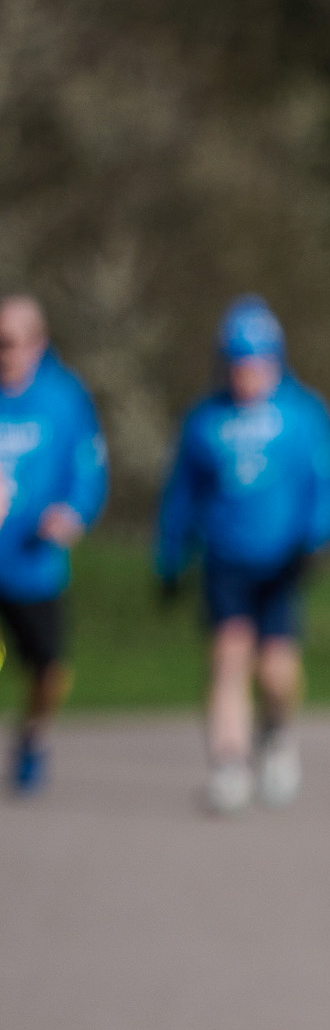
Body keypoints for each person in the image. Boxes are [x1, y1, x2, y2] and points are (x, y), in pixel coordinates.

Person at [156, 297, 330, 814]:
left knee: (276, 671)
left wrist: (316, 537)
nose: (247, 376)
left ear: (276, 359)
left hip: (283, 561)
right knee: (228, 656)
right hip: (225, 560)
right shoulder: (204, 420)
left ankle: (278, 736)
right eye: (238, 365)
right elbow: (181, 496)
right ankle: (228, 763)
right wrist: (169, 559)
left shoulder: (304, 413)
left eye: (257, 364)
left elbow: (327, 485)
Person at [0, 294, 109, 794]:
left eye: (10, 341)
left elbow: (88, 467)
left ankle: (33, 734)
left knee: (49, 671)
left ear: (37, 344)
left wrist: (72, 513)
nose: (4, 351)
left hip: (34, 563)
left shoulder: (64, 398)